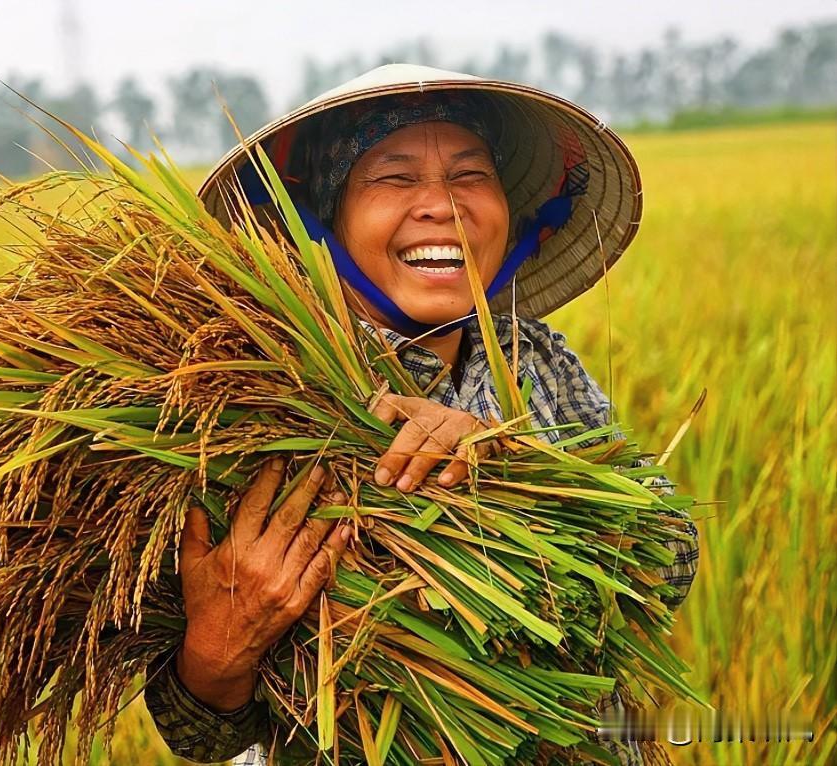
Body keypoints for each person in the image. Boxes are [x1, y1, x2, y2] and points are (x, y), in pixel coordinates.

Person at [143, 64, 699, 766]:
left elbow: (669, 556)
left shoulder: (537, 360)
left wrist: (509, 463)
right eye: (395, 178)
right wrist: (219, 651)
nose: (442, 205)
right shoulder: (256, 399)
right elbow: (200, 734)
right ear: (325, 222)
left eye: (470, 175)